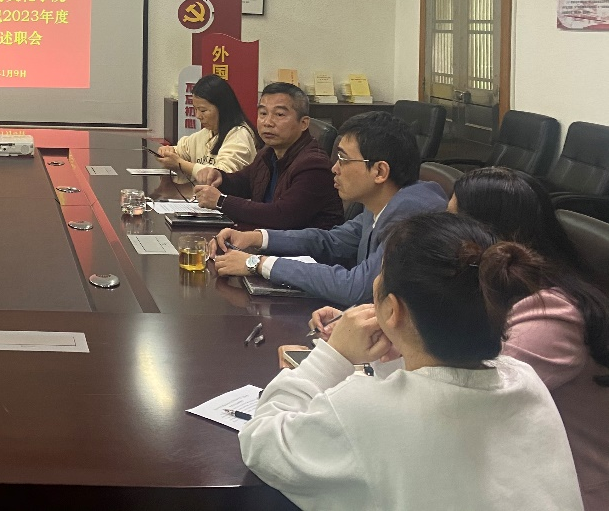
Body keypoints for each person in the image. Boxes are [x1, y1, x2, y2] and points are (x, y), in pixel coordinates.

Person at [239, 212, 582, 511]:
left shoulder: (366, 410)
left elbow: (260, 441)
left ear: (392, 309)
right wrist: (400, 351)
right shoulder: (525, 380)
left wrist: (332, 356)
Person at [444, 167, 607, 510]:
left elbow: (466, 405)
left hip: (570, 493)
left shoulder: (552, 315)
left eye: (452, 223)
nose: (443, 235)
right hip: (514, 470)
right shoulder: (499, 290)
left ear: (487, 236)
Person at [211, 111, 446, 306]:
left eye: (344, 159)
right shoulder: (381, 203)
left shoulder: (412, 215)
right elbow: (330, 241)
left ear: (380, 171)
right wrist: (255, 237)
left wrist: (257, 264)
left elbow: (357, 288)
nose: (334, 168)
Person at [190, 82, 340, 230]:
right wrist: (221, 178)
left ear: (303, 123)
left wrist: (221, 201)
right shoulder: (268, 152)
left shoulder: (314, 165)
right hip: (267, 237)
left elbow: (283, 215)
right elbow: (245, 182)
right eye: (263, 113)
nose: (267, 122)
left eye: (279, 114)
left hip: (302, 245)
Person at [155, 73, 258, 183]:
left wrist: (179, 163)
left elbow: (221, 175)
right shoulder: (208, 133)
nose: (198, 116)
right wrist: (168, 151)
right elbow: (182, 149)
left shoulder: (239, 136)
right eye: (195, 109)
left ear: (222, 108)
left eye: (203, 110)